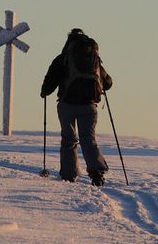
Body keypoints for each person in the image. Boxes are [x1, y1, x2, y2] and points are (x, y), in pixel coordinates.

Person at [40, 28, 112, 186]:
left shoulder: (63, 58)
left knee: (68, 139)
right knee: (88, 139)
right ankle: (97, 172)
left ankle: (68, 174)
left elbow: (51, 79)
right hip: (89, 106)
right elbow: (108, 83)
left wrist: (44, 92)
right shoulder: (95, 59)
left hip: (67, 104)